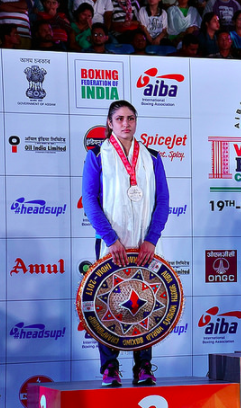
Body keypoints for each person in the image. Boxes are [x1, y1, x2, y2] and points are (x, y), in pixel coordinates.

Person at [82, 100, 169, 387]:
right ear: (110, 123)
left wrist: (151, 240)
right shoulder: (97, 156)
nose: (126, 124)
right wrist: (111, 240)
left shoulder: (152, 157)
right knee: (108, 301)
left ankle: (144, 366)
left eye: (131, 118)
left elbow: (163, 202)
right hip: (111, 246)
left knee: (146, 300)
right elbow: (90, 202)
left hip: (145, 245)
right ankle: (110, 367)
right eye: (119, 119)